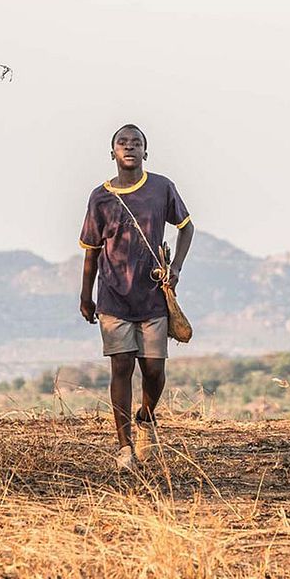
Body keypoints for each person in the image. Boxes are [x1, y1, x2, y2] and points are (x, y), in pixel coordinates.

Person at [78, 124, 195, 471]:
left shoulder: (161, 188)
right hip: (113, 296)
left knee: (154, 369)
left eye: (136, 143)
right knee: (121, 366)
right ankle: (125, 446)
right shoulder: (100, 197)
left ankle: (146, 417)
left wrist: (177, 267)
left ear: (146, 151)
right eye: (122, 143)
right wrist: (86, 296)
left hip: (153, 295)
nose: (129, 147)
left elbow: (186, 227)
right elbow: (91, 252)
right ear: (112, 151)